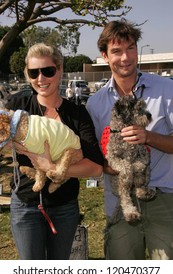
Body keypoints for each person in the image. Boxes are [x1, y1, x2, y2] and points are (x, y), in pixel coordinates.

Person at [5, 42, 104, 260]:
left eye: (47, 71)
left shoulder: (77, 114)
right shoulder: (18, 104)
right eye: (33, 72)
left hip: (64, 208)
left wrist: (51, 168)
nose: (41, 79)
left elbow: (96, 168)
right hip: (24, 205)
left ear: (59, 70)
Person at [86, 19, 173, 260]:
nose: (125, 57)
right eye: (116, 51)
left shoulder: (167, 89)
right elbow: (95, 156)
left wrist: (149, 137)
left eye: (131, 48)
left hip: (164, 197)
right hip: (119, 201)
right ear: (104, 56)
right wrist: (109, 165)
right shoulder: (95, 103)